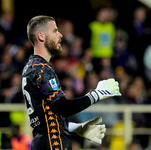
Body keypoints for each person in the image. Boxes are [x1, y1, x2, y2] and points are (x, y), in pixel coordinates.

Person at [22, 15, 121, 150]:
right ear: (41, 36)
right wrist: (97, 94)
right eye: (55, 31)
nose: (61, 35)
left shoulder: (31, 67)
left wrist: (77, 128)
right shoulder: (41, 69)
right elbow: (64, 107)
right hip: (53, 144)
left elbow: (46, 117)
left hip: (44, 142)